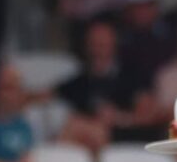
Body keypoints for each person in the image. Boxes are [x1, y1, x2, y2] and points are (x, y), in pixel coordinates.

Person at [57, 20, 166, 154]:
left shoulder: (133, 75)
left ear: (114, 42)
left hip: (130, 138)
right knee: (74, 126)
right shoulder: (81, 81)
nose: (98, 46)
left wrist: (118, 118)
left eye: (103, 41)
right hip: (89, 140)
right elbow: (47, 94)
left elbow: (149, 117)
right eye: (94, 41)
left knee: (84, 129)